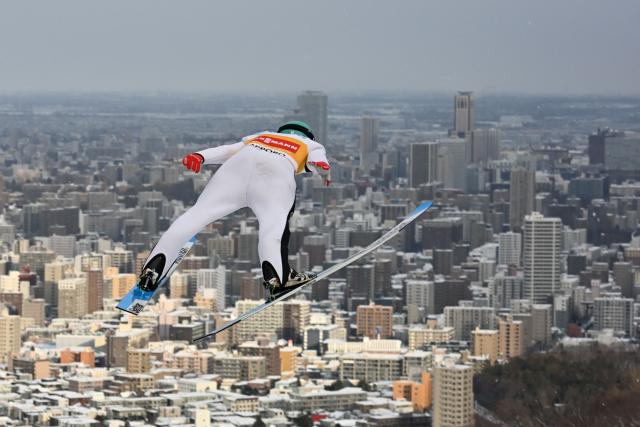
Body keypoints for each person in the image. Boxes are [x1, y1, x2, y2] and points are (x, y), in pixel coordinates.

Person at [138, 121, 331, 299]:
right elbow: (319, 161)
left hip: (234, 173)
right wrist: (325, 172)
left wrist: (201, 156)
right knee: (273, 231)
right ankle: (277, 280)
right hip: (273, 179)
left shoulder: (263, 135)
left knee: (194, 217)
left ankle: (152, 270)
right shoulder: (308, 144)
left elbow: (229, 150)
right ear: (308, 135)